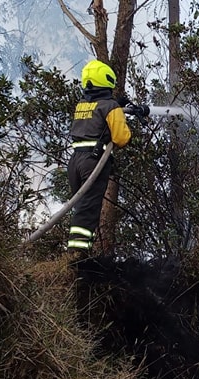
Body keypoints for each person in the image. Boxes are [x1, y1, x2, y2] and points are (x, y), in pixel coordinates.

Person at [66, 59, 131, 256]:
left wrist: (117, 108)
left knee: (81, 206)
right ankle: (78, 256)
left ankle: (76, 251)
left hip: (75, 161)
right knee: (88, 209)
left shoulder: (82, 104)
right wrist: (117, 112)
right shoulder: (110, 107)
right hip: (93, 162)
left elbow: (95, 116)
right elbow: (121, 138)